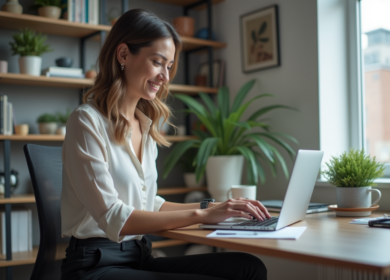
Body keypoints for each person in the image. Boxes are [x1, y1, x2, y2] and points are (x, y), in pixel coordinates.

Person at [61, 8, 270, 280]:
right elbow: (116, 217)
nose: (165, 76)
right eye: (158, 62)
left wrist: (217, 207)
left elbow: (150, 204)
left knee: (249, 267)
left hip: (139, 256)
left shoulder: (144, 124)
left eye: (169, 66)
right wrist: (200, 215)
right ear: (123, 54)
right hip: (95, 265)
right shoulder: (86, 122)